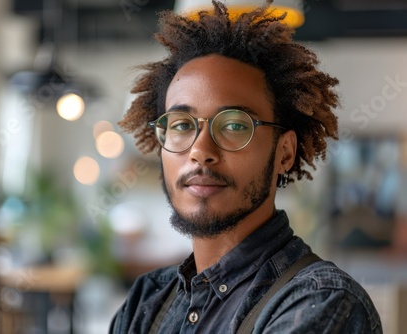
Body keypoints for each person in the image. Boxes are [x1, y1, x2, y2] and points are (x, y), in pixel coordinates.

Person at [109, 1, 383, 333]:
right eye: (181, 125)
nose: (200, 151)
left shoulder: (320, 300)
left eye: (235, 125)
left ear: (284, 153)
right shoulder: (147, 300)